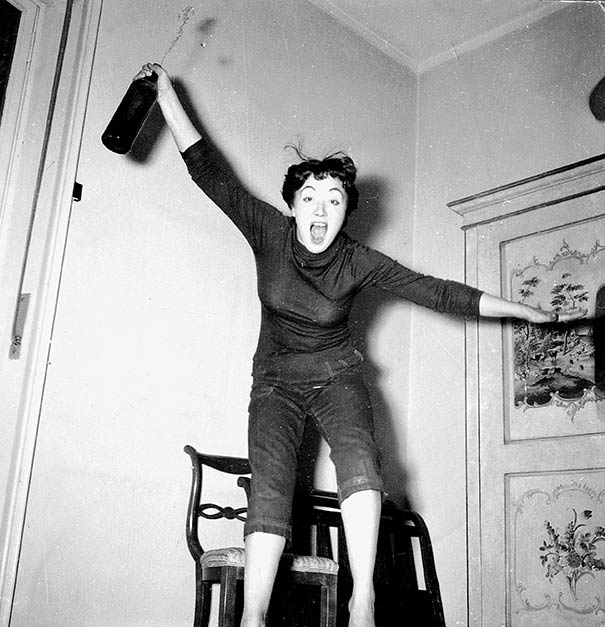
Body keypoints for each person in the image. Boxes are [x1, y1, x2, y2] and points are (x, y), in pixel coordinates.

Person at [134, 63, 585, 627]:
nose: (321, 210)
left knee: (360, 461)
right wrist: (165, 94)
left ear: (347, 210)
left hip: (336, 374)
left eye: (334, 200)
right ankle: (252, 617)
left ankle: (363, 600)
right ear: (292, 205)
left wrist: (524, 310)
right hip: (274, 379)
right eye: (310, 198)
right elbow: (208, 170)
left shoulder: (358, 260)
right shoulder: (268, 231)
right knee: (271, 485)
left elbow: (437, 291)